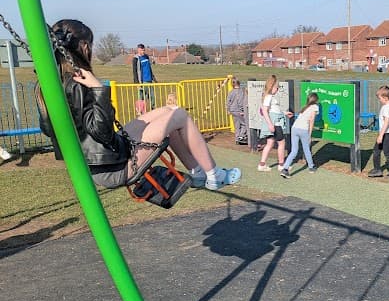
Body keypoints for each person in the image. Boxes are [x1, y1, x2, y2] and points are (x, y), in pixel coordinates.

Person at [40, 19, 241, 191]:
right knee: (179, 114)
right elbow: (101, 132)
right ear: (84, 47)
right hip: (113, 168)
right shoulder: (77, 85)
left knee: (170, 112)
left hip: (105, 156)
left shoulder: (49, 84)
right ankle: (214, 175)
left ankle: (198, 172)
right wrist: (97, 89)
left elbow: (49, 128)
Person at [280, 92, 319, 178]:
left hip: (294, 128)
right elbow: (311, 120)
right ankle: (311, 167)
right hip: (303, 129)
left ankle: (285, 169)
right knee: (306, 149)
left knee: (294, 150)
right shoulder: (315, 107)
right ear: (316, 100)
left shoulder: (304, 108)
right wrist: (310, 134)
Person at [257, 75, 291, 172]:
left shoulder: (271, 97)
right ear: (272, 86)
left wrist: (285, 113)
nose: (278, 89)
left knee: (270, 143)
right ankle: (281, 165)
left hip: (274, 122)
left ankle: (262, 164)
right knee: (281, 143)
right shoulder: (269, 97)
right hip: (275, 123)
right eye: (277, 87)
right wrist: (270, 124)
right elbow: (265, 110)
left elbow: (274, 110)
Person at [368, 85, 389, 179]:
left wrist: (381, 135)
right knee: (376, 151)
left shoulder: (386, 108)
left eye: (380, 98)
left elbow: (386, 122)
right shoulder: (386, 106)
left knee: (388, 152)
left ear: (385, 98)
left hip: (388, 134)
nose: (379, 100)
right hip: (383, 133)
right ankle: (377, 169)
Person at [132, 43, 156, 109]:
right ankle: (140, 111)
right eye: (141, 50)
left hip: (149, 80)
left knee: (152, 96)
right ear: (138, 50)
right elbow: (135, 71)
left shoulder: (146, 57)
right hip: (142, 81)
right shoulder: (135, 59)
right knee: (141, 98)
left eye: (144, 50)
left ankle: (153, 109)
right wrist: (137, 83)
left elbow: (149, 68)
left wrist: (153, 78)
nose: (143, 51)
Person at [226, 77, 248, 144]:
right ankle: (241, 136)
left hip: (232, 110)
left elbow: (227, 102)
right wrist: (242, 110)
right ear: (239, 83)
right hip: (238, 110)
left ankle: (237, 138)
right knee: (244, 124)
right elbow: (240, 101)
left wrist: (228, 109)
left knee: (237, 125)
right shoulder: (241, 91)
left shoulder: (231, 92)